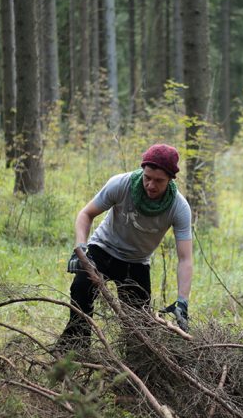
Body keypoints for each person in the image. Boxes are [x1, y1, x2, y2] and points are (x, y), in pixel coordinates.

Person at [57, 144, 193, 352]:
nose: (150, 185)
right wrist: (81, 248)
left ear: (171, 179)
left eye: (159, 181)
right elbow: (86, 214)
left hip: (136, 262)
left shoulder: (178, 207)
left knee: (138, 326)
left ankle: (133, 368)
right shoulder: (121, 184)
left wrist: (182, 301)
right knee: (81, 290)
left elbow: (185, 258)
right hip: (102, 250)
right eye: (147, 177)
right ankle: (75, 351)